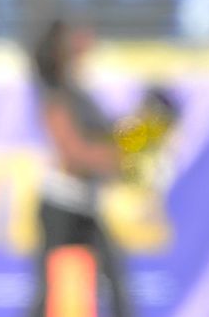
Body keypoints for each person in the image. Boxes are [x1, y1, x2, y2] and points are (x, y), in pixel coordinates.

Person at [26, 16, 133, 317]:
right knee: (47, 291)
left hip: (86, 202)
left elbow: (109, 137)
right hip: (61, 204)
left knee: (116, 282)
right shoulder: (56, 95)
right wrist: (116, 157)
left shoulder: (80, 92)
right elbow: (74, 153)